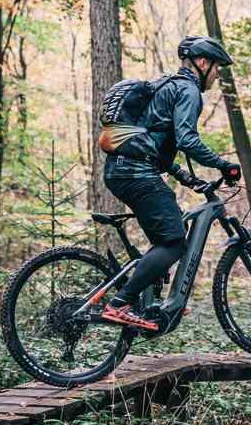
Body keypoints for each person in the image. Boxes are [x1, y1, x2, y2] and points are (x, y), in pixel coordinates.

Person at [100, 36, 242, 331]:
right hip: (136, 173)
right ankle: (120, 304)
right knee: (174, 241)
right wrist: (223, 164)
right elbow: (186, 139)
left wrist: (186, 177)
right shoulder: (189, 90)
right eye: (217, 68)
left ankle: (150, 305)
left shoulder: (167, 85)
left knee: (168, 231)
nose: (217, 75)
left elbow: (154, 143)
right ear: (203, 63)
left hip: (121, 169)